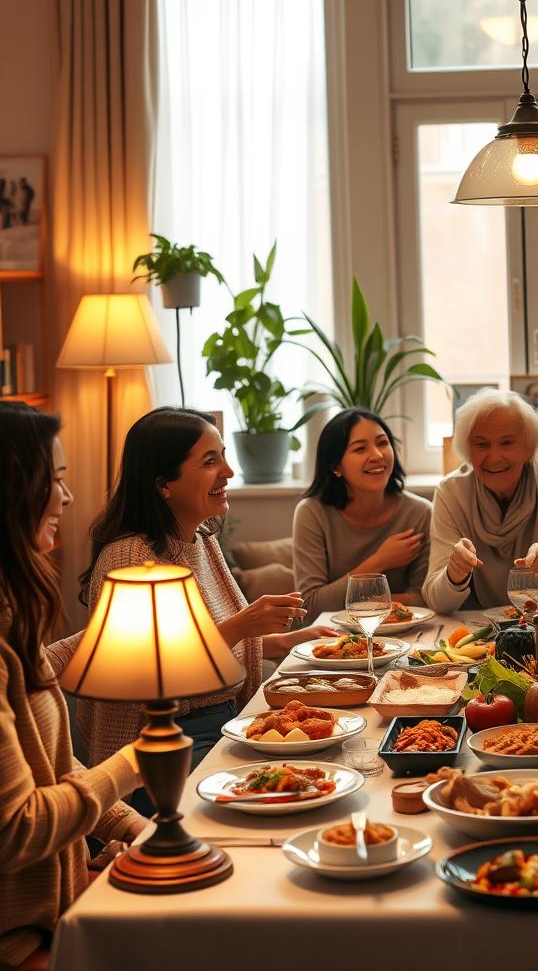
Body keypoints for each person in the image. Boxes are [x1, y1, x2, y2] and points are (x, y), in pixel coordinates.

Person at [47, 408, 321, 781]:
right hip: (159, 745)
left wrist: (286, 641)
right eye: (210, 461)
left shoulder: (200, 538)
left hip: (219, 723)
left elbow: (213, 641)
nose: (228, 471)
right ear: (164, 484)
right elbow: (147, 674)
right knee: (303, 780)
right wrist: (243, 626)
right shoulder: (131, 558)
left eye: (223, 455)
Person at [0, 402, 147, 969]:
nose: (65, 497)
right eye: (55, 481)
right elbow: (17, 830)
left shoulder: (16, 614)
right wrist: (132, 765)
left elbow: (60, 766)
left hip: (55, 916)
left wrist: (135, 825)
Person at [422, 388, 538, 613]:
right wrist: (453, 574)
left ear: (529, 448)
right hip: (486, 633)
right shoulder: (451, 492)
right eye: (482, 444)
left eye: (507, 443)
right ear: (467, 448)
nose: (494, 457)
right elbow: (437, 603)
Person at [293, 408, 431, 621]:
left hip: (405, 636)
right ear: (335, 466)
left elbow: (424, 599)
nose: (377, 455)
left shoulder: (420, 513)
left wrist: (358, 604)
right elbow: (310, 606)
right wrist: (379, 561)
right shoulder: (312, 513)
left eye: (383, 443)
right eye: (359, 449)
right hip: (328, 640)